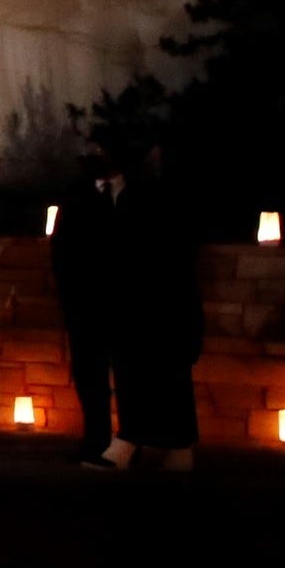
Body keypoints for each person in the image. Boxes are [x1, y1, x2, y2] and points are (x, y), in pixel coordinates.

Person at [110, 143, 203, 473]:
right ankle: (165, 445)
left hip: (156, 306)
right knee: (154, 377)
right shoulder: (150, 199)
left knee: (162, 378)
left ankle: (166, 444)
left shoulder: (147, 201)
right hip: (155, 305)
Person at [52, 141, 132, 461]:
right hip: (85, 302)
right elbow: (62, 248)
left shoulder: (139, 194)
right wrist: (69, 294)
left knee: (129, 374)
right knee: (90, 374)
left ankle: (131, 437)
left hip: (129, 301)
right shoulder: (76, 193)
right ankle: (96, 437)